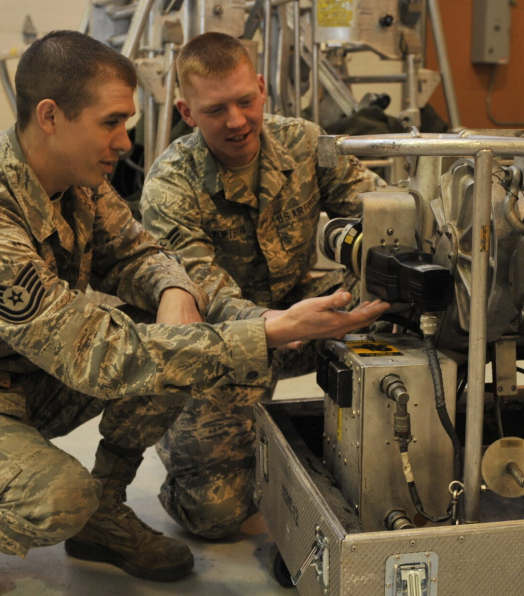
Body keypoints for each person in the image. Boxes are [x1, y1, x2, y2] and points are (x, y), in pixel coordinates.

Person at [0, 30, 387, 596]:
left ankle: (104, 511)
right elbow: (97, 355)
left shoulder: (76, 179)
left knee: (170, 334)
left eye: (127, 121)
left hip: (28, 375)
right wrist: (267, 330)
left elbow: (140, 252)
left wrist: (172, 290)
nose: (126, 138)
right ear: (51, 116)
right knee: (60, 499)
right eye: (111, 122)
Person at [137, 32, 384, 540]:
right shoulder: (170, 185)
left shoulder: (305, 142)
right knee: (216, 515)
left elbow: (381, 211)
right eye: (215, 109)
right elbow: (203, 290)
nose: (235, 121)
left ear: (263, 89)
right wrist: (272, 324)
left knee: (404, 299)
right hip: (221, 348)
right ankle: (184, 441)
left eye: (245, 101)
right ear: (186, 111)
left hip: (302, 318)